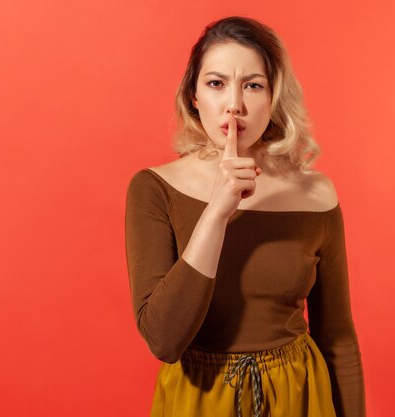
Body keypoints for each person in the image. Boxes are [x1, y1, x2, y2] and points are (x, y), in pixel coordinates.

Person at [124, 16, 366, 417]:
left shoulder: (316, 194)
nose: (234, 103)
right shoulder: (153, 189)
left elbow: (338, 337)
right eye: (216, 83)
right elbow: (164, 340)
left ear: (272, 98)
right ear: (194, 96)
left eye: (252, 85)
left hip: (300, 396)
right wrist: (217, 211)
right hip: (197, 400)